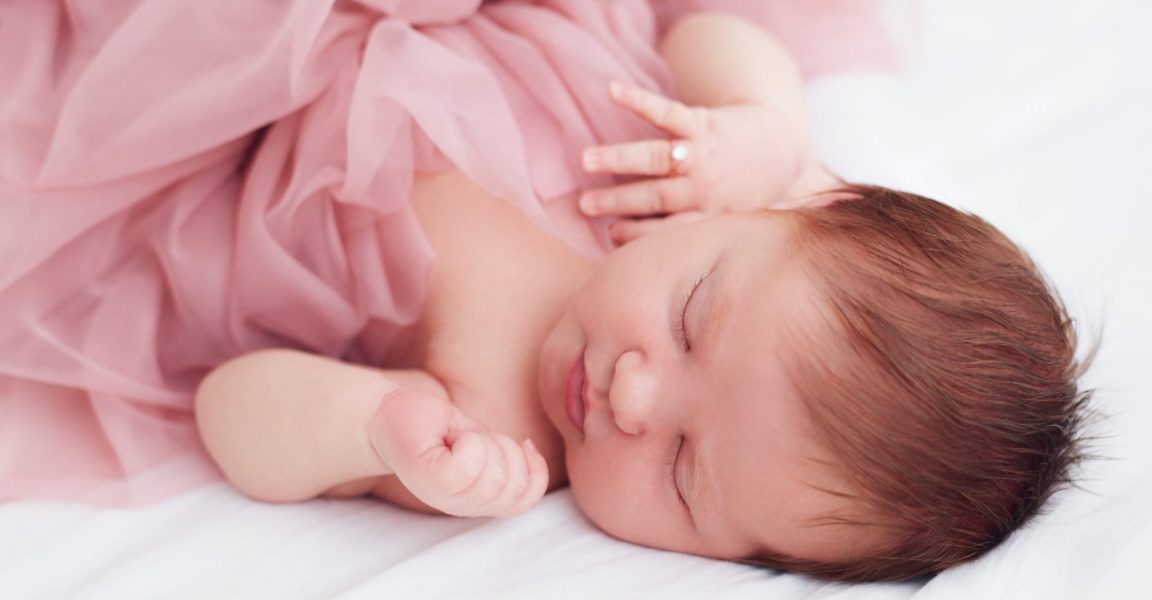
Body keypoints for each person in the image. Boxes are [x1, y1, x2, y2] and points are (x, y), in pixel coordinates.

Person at [195, 13, 1090, 581]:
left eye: (680, 472)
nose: (629, 396)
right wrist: (763, 123)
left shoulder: (495, 439)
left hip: (246, 80)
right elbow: (700, 30)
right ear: (818, 206)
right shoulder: (748, 190)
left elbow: (232, 413)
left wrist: (370, 427)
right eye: (693, 318)